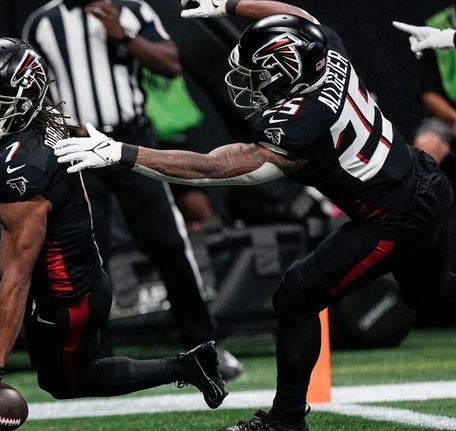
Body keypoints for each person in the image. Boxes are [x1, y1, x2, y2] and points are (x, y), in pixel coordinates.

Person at [54, 1, 456, 429]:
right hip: (424, 178)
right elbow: (296, 14)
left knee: (297, 295)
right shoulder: (327, 50)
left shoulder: (303, 121)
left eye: (259, 76)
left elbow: (213, 168)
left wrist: (121, 152)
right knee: (428, 296)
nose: (251, 85)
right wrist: (227, 5)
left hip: (393, 217)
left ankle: (285, 422)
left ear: (286, 73)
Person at [0, 37, 226, 431]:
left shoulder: (24, 168)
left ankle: (189, 365)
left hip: (65, 290)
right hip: (22, 259)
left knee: (67, 382)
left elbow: (19, 278)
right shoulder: (39, 124)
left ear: (23, 104)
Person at [22, 0, 243, 379]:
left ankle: (204, 344)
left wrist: (122, 35)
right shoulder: (43, 22)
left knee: (169, 243)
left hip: (129, 142)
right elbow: (31, 91)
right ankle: (92, 354)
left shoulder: (131, 10)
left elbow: (171, 63)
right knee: (86, 252)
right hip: (74, 145)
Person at [393, 12, 456, 183]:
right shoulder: (437, 24)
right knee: (423, 151)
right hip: (447, 116)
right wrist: (450, 38)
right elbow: (428, 93)